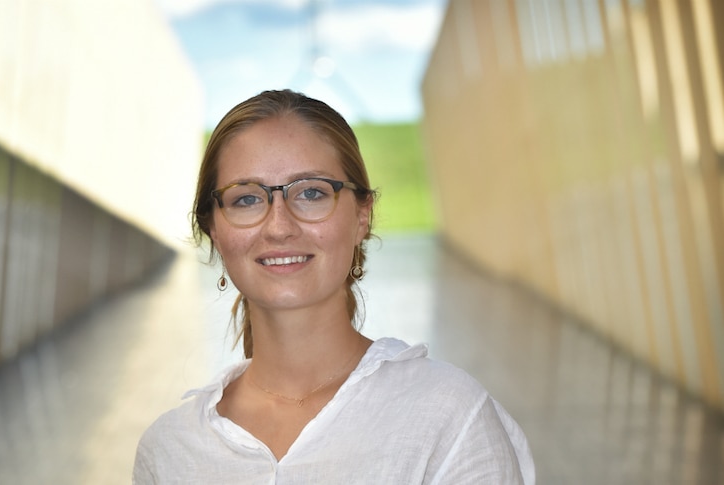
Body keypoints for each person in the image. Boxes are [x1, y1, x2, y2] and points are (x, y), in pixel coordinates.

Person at [132, 89, 535, 484]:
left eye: (311, 193)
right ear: (214, 231)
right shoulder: (169, 450)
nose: (279, 226)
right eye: (247, 199)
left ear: (362, 216)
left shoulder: (450, 420)